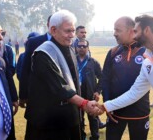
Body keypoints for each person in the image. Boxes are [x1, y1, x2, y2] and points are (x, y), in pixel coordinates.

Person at [24, 10, 103, 140]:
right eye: (68, 31)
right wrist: (84, 103)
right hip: (47, 122)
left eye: (73, 31)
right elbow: (59, 86)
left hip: (69, 116)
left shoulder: (71, 49)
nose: (72, 35)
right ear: (53, 30)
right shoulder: (43, 53)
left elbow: (74, 82)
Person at [101, 16, 149, 140]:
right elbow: (105, 80)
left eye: (118, 30)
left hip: (139, 113)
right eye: (114, 30)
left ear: (131, 31)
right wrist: (107, 104)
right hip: (115, 112)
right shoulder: (113, 52)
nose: (114, 34)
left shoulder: (147, 52)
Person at [19, 15, 52, 108]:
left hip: (60, 96)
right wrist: (23, 95)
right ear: (48, 24)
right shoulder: (34, 42)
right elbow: (25, 69)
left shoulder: (67, 43)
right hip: (37, 94)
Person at [76, 39, 102, 140]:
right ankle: (82, 136)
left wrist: (98, 91)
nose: (82, 48)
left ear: (88, 48)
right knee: (79, 118)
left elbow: (102, 77)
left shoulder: (93, 62)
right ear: (76, 48)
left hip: (91, 95)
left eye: (84, 46)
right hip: (77, 96)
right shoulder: (72, 61)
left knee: (93, 118)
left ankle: (95, 137)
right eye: (79, 46)